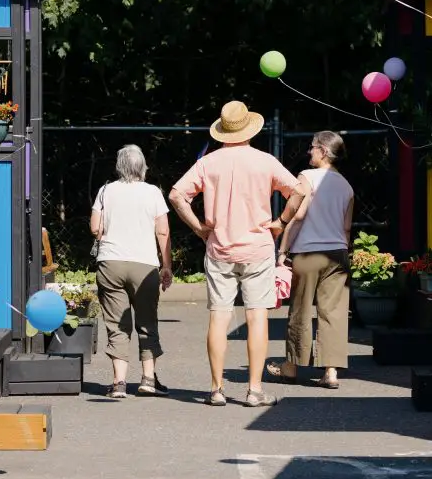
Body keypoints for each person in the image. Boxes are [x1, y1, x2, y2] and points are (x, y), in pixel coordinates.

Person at [169, 100, 308, 407]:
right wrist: (280, 223)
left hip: (219, 248)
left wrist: (198, 228)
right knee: (257, 316)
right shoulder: (264, 160)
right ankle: (254, 390)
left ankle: (216, 389)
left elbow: (177, 195)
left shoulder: (208, 163)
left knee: (219, 316)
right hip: (257, 249)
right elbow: (299, 191)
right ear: (249, 129)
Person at [268, 131, 354, 389]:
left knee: (300, 309)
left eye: (313, 147)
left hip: (308, 252)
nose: (309, 152)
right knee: (334, 313)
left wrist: (282, 249)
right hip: (338, 253)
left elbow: (299, 213)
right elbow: (347, 228)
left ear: (324, 151)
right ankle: (330, 371)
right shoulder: (347, 186)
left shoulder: (307, 177)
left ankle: (292, 367)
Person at [90, 144, 173, 399]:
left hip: (111, 263)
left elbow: (95, 228)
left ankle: (119, 383)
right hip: (144, 264)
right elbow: (163, 231)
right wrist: (167, 265)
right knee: (147, 321)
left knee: (116, 324)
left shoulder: (106, 190)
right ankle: (148, 379)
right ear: (142, 167)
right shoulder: (153, 193)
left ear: (119, 167)